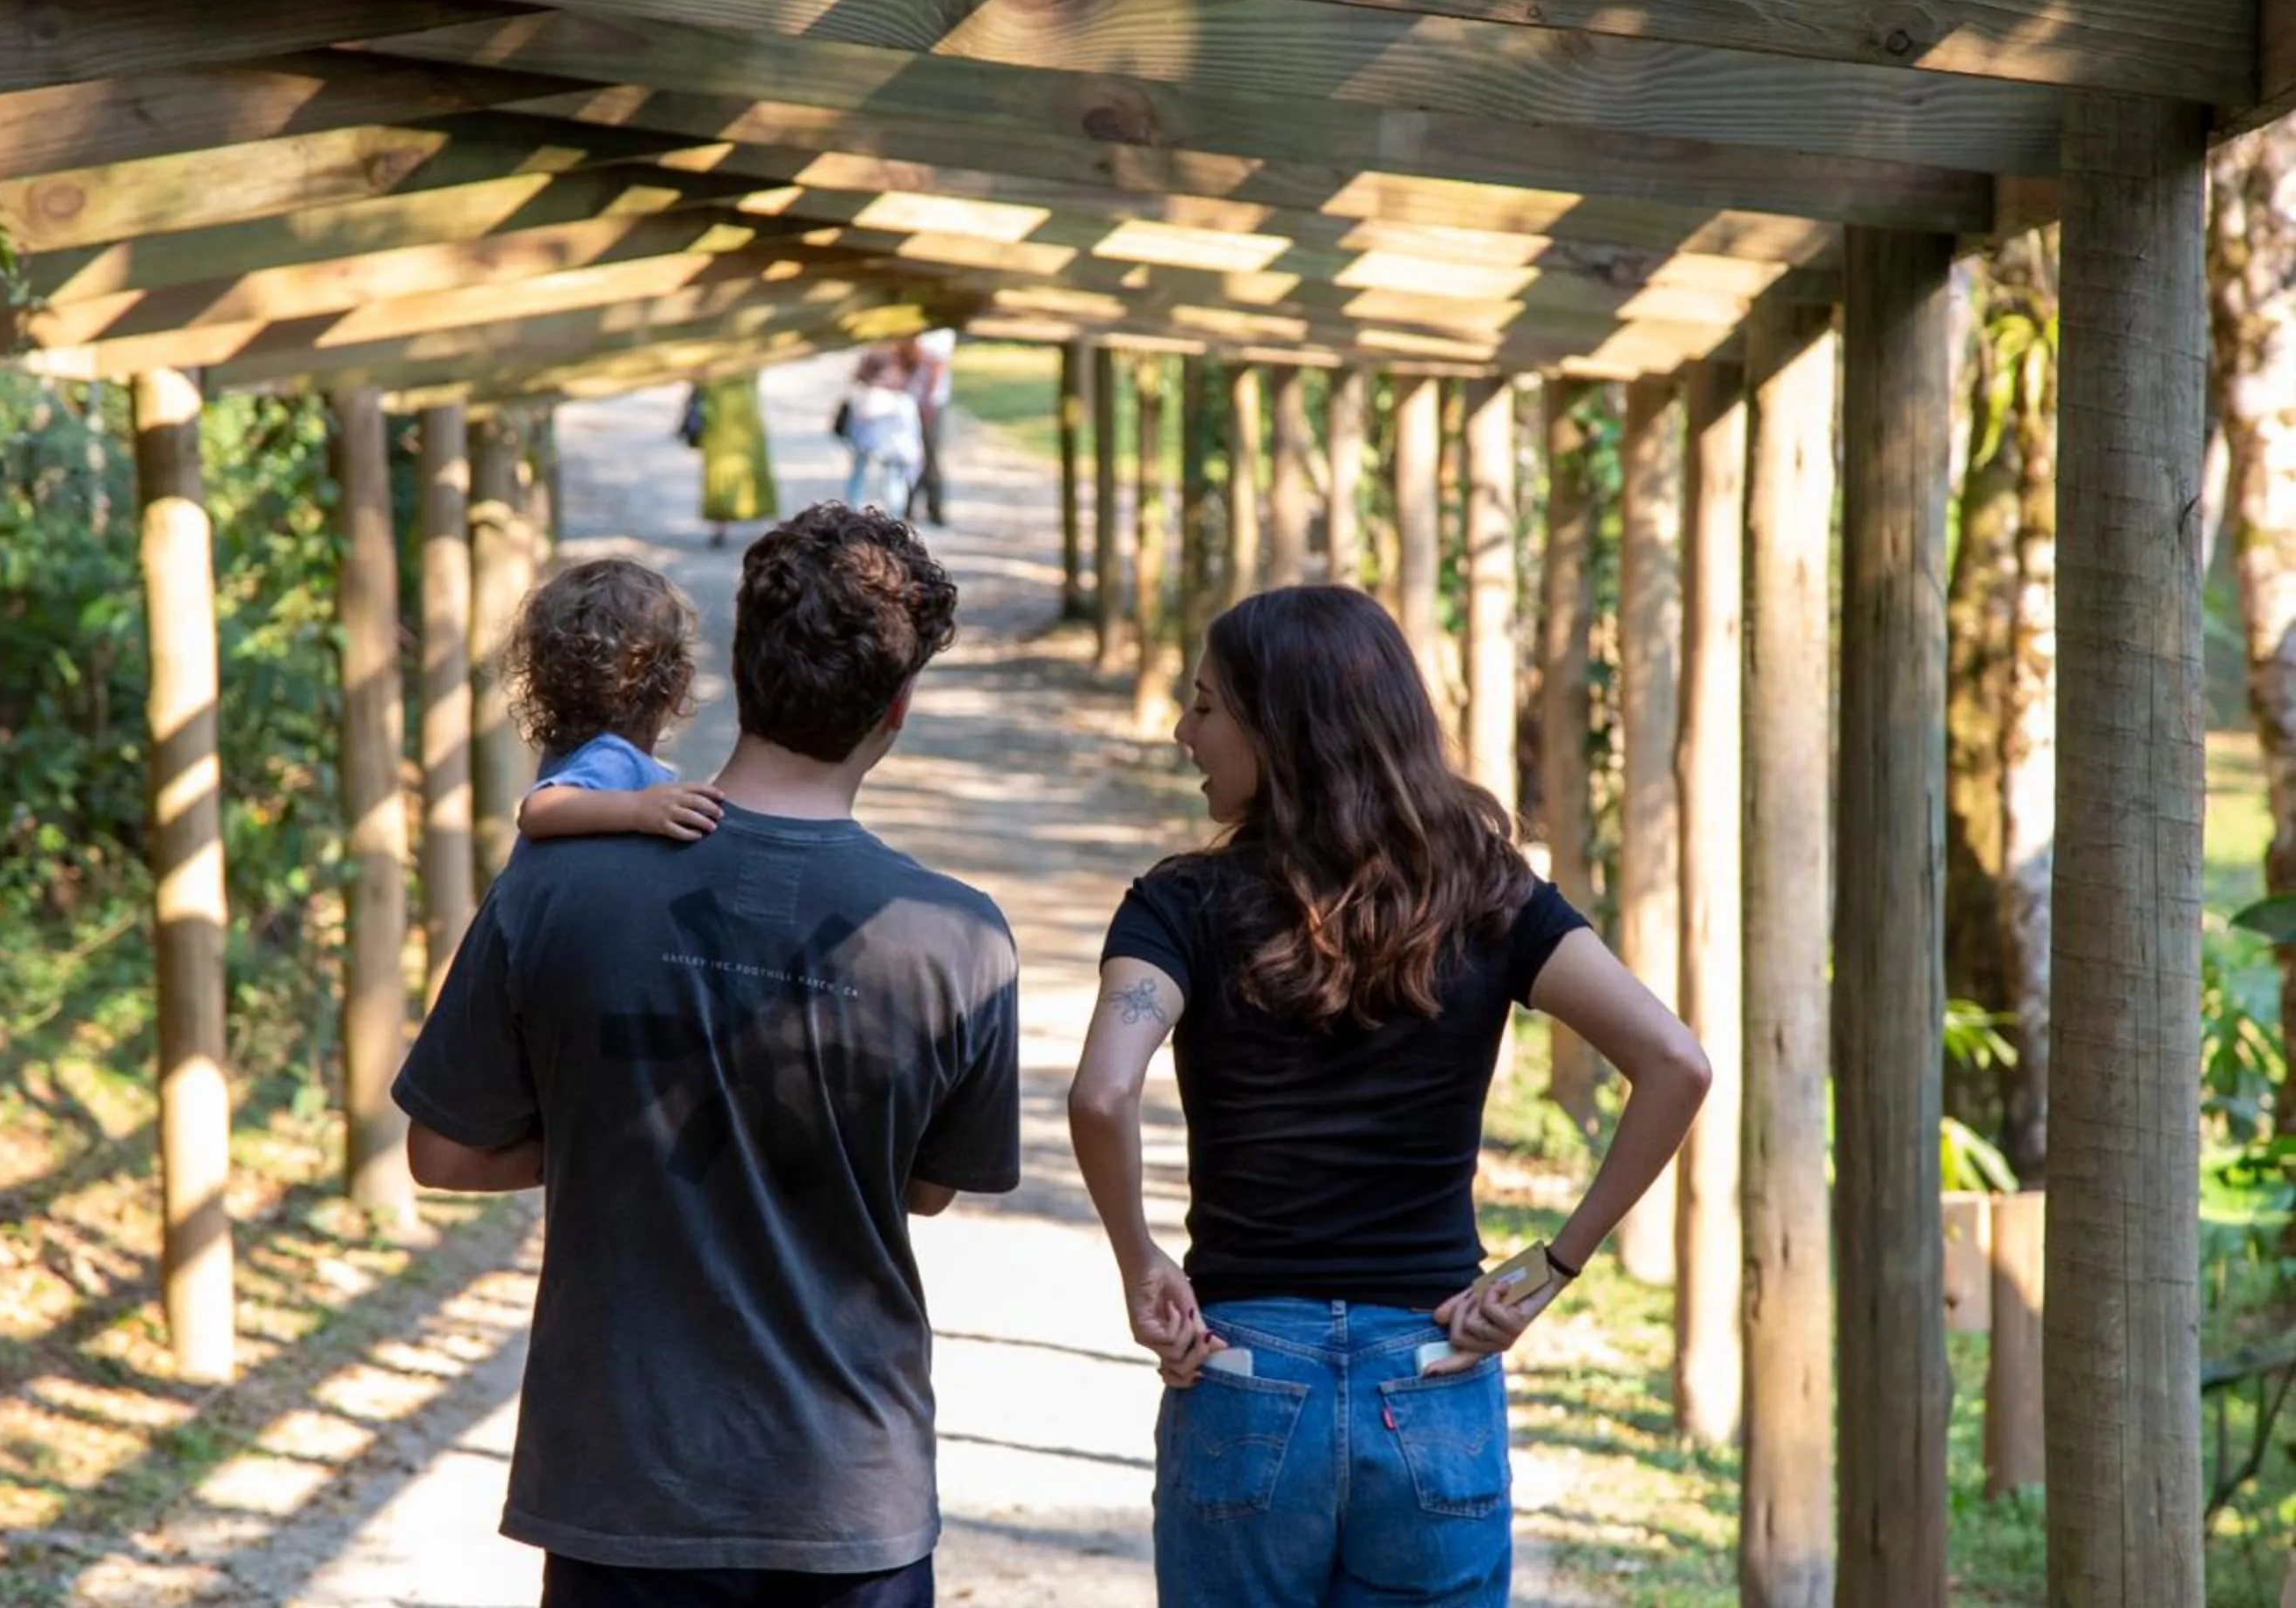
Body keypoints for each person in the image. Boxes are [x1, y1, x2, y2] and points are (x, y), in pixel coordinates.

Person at [394, 504, 1022, 1608]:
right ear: (898, 710)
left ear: (736, 666)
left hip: (622, 1493)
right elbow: (924, 1186)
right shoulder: (959, 936)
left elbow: (443, 1153)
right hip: (848, 1500)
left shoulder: (555, 880)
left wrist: (622, 1124)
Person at [1066, 586, 1710, 1608]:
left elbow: (1103, 1093)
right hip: (1433, 1372)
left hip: (1240, 1376)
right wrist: (1555, 1262)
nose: (1185, 731)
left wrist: (1140, 1259)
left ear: (1282, 730)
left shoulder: (1178, 904)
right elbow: (1677, 1063)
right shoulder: (1492, 898)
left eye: (1205, 706)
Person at [502, 557, 728, 845]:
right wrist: (638, 808)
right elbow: (539, 809)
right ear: (678, 683)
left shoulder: (574, 750)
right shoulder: (613, 760)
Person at [841, 343, 924, 521]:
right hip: (887, 430)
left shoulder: (883, 351)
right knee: (886, 476)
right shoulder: (900, 352)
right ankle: (889, 516)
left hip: (875, 430)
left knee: (869, 473)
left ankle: (856, 513)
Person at [697, 371, 778, 548]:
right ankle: (769, 528)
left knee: (729, 474)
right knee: (736, 473)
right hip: (733, 422)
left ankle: (722, 528)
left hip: (730, 422)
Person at [906, 328, 957, 526]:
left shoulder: (940, 334)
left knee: (929, 454)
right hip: (912, 398)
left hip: (930, 402)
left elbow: (937, 368)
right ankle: (909, 504)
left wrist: (928, 402)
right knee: (913, 454)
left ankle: (933, 506)